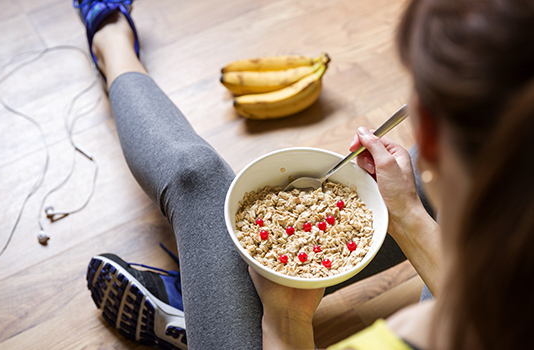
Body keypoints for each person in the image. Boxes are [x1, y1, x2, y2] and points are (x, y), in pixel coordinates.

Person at [77, 0, 534, 349]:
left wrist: (284, 317)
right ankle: (205, 303)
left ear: (428, 131)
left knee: (197, 178)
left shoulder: (406, 336)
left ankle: (111, 38)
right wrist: (408, 214)